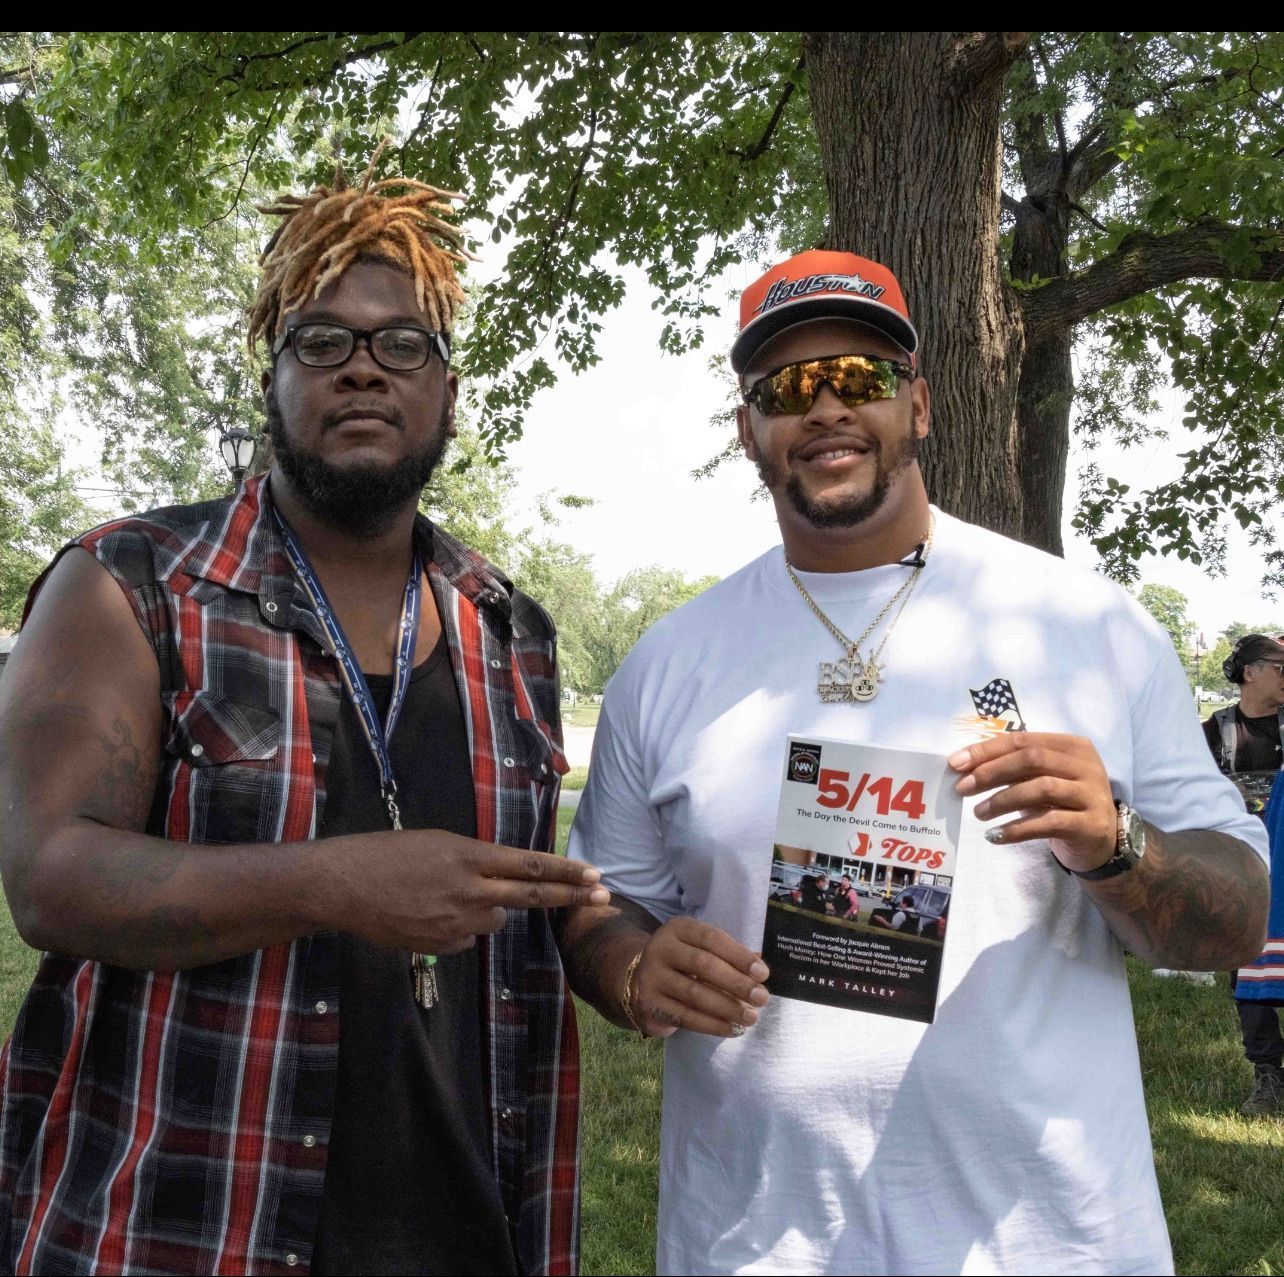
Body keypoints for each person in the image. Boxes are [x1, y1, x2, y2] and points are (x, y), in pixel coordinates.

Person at [554, 248, 1269, 1275]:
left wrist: (1118, 842)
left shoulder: (1085, 626)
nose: (828, 406)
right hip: (753, 1240)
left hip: (1048, 1242)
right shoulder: (670, 663)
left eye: (864, 376)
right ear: (748, 429)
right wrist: (629, 965)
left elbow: (1237, 916)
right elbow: (599, 899)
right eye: (790, 388)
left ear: (921, 404)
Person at [0, 153, 607, 1276]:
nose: (364, 370)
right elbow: (49, 876)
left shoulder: (505, 626)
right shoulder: (132, 584)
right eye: (322, 342)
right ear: (272, 378)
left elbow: (525, 918)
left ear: (448, 391)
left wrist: (624, 950)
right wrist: (336, 883)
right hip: (192, 1225)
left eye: (403, 344)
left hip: (466, 1231)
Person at [1201, 633, 1284, 1116]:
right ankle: (1268, 1072)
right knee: (1248, 961)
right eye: (1281, 665)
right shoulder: (1215, 731)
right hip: (1243, 864)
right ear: (1251, 671)